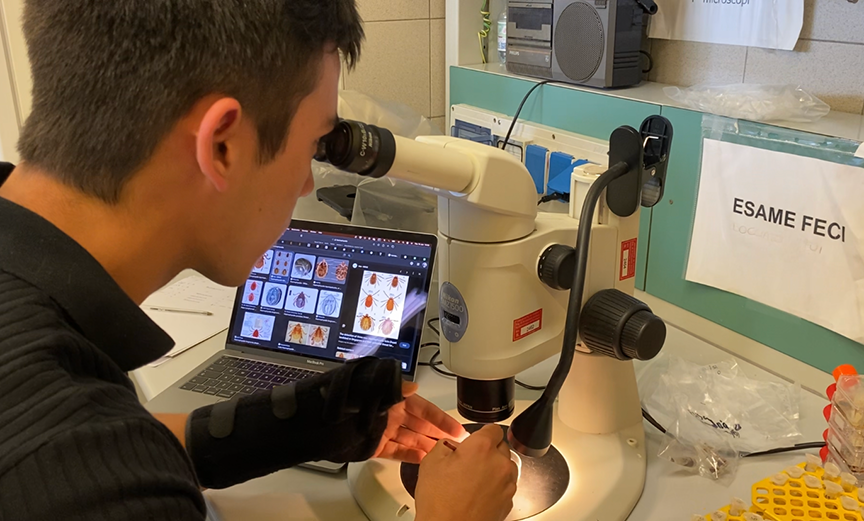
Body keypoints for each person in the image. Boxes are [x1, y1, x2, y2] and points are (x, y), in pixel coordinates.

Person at [0, 0, 518, 520]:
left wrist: (309, 425)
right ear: (222, 146)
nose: (308, 183)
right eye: (313, 145)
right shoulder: (85, 487)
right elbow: (98, 471)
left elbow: (115, 450)